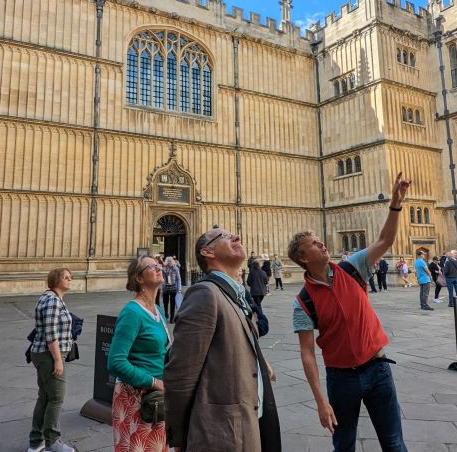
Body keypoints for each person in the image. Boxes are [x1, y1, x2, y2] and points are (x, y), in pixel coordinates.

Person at [291, 172, 411, 452]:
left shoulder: (352, 267)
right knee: (343, 446)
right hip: (341, 378)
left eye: (320, 240)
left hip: (378, 368)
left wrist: (395, 204)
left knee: (394, 444)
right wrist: (321, 400)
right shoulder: (303, 301)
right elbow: (307, 353)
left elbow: (384, 241)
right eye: (314, 243)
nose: (322, 244)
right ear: (304, 258)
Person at [165, 229, 281, 452]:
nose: (237, 237)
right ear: (207, 252)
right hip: (221, 434)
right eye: (226, 238)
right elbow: (180, 374)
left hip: (250, 423)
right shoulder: (204, 294)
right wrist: (180, 438)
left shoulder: (235, 293)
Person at [107, 256, 170, 451]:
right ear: (139, 279)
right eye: (152, 266)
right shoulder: (132, 313)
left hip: (158, 398)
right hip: (136, 399)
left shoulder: (158, 310)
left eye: (158, 264)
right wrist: (153, 382)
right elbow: (115, 362)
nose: (159, 267)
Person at [27, 269, 76, 452]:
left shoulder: (52, 298)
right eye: (65, 277)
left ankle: (36, 441)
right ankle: (52, 443)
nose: (70, 279)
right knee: (56, 397)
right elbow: (50, 334)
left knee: (45, 397)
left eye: (70, 276)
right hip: (48, 355)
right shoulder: (52, 300)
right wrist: (58, 360)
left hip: (44, 354)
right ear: (55, 280)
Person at [161, 256, 182, 324]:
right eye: (168, 261)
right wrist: (161, 288)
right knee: (165, 303)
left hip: (173, 288)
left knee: (172, 304)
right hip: (165, 288)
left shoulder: (176, 269)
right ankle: (166, 314)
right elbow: (162, 279)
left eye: (170, 261)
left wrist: (179, 289)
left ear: (172, 262)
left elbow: (178, 279)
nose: (169, 262)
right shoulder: (163, 269)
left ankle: (172, 318)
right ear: (166, 262)